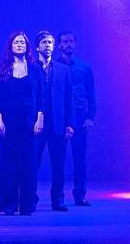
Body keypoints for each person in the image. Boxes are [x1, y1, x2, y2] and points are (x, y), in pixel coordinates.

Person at [0, 31, 44, 216]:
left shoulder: (35, 68)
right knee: (9, 162)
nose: (20, 45)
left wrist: (40, 118)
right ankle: (8, 204)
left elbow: (41, 96)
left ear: (27, 46)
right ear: (10, 46)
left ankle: (27, 205)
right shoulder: (2, 69)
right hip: (9, 121)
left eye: (23, 42)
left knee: (29, 163)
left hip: (29, 122)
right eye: (16, 42)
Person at [34, 30, 75, 212]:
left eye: (50, 42)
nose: (48, 45)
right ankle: (30, 197)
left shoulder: (63, 70)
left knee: (58, 163)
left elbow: (69, 99)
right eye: (44, 42)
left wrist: (69, 123)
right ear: (37, 46)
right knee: (33, 162)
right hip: (36, 123)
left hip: (57, 123)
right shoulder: (31, 67)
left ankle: (58, 199)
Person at [57, 30, 96, 207]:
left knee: (79, 158)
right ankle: (58, 196)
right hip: (61, 117)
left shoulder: (84, 67)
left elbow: (91, 93)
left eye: (71, 41)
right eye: (65, 42)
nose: (68, 44)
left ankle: (80, 194)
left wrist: (90, 117)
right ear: (59, 45)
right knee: (59, 157)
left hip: (80, 116)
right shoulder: (55, 66)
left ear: (75, 44)